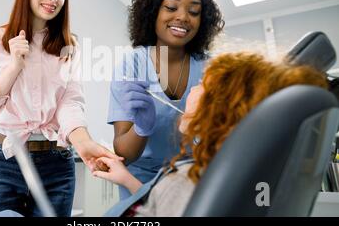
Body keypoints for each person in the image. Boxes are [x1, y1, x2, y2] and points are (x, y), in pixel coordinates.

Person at [0, 0, 121, 217]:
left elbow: (70, 101)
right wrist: (12, 68)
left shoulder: (70, 46)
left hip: (56, 164)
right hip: (1, 161)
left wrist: (82, 141)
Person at [97, 52, 329, 216]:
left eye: (202, 84)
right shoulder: (231, 174)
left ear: (224, 108)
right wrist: (125, 178)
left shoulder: (189, 177)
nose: (194, 88)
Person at [107, 0, 224, 199]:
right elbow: (124, 153)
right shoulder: (133, 64)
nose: (182, 17)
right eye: (171, 7)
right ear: (153, 13)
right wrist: (142, 128)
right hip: (140, 181)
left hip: (192, 178)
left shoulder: (210, 67)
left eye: (194, 12)